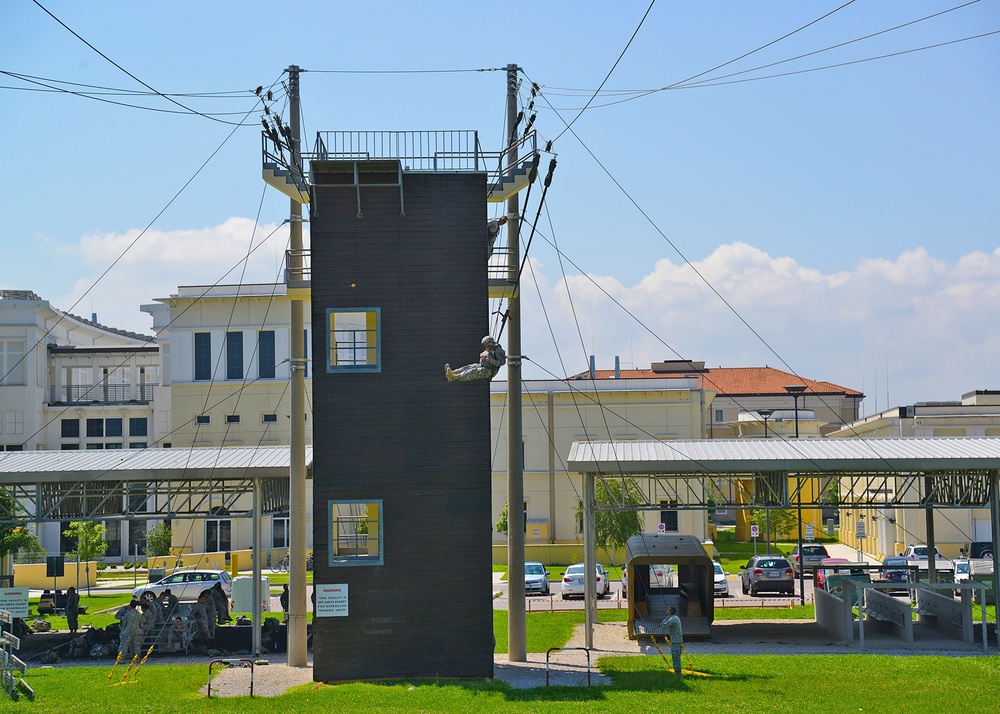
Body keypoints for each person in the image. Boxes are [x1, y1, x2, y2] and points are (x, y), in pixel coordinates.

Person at [661, 606, 683, 676]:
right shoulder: (675, 618)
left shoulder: (672, 619)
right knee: (677, 657)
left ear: (670, 612)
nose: (666, 610)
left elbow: (664, 626)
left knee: (675, 657)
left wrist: (665, 619)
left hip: (675, 641)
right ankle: (678, 671)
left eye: (668, 610)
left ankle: (678, 673)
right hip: (678, 640)